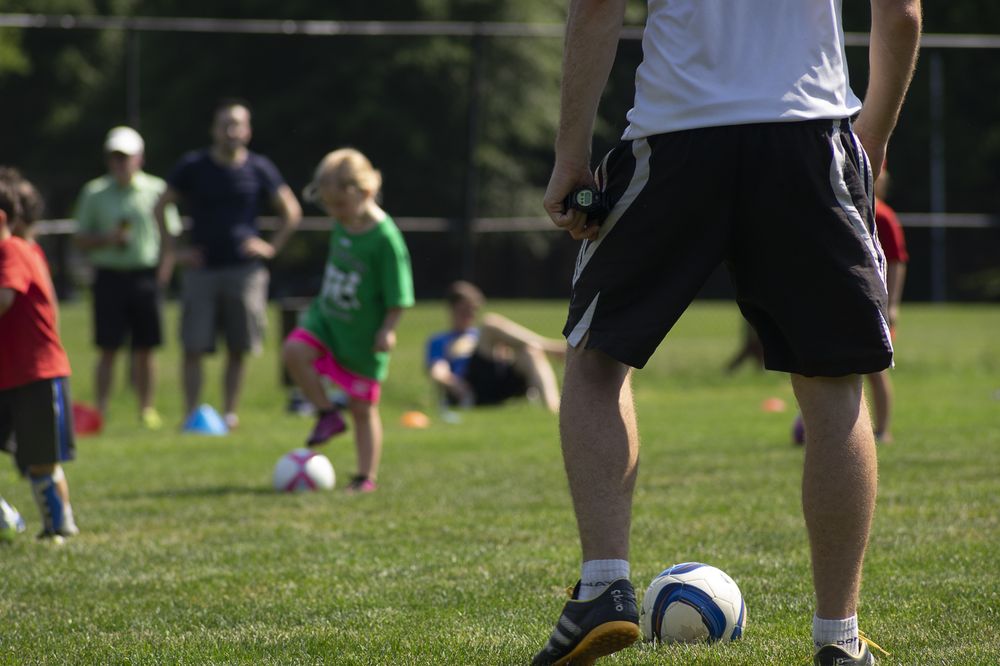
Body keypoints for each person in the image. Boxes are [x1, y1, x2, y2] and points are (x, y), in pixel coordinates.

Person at [535, 1, 921, 665]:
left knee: (596, 361)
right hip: (807, 133)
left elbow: (597, 5)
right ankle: (838, 639)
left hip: (675, 134)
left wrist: (571, 152)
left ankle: (603, 585)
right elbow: (901, 12)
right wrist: (874, 133)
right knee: (832, 389)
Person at [155, 99, 302, 430]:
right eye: (225, 124)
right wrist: (174, 251)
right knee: (193, 345)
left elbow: (291, 211)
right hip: (201, 270)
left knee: (238, 347)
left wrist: (270, 247)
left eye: (238, 124)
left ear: (247, 131)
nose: (231, 131)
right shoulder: (193, 166)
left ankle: (230, 414)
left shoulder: (260, 168)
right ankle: (191, 415)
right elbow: (160, 205)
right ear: (214, 129)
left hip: (244, 271)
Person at [281, 148, 414, 494]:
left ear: (365, 193)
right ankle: (326, 412)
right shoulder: (343, 223)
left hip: (363, 337)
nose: (333, 213)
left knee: (362, 408)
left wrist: (387, 329)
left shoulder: (385, 239)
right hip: (327, 322)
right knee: (294, 351)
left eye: (339, 204)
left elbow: (399, 295)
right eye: (328, 205)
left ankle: (364, 477)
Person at [74, 126, 182, 429]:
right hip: (109, 277)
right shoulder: (94, 192)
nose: (120, 163)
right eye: (115, 157)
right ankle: (102, 410)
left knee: (146, 347)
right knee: (108, 347)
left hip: (145, 277)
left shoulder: (157, 190)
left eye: (126, 157)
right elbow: (80, 238)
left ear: (140, 158)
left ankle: (146, 408)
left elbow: (170, 235)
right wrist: (106, 239)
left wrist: (165, 272)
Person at [0, 170, 80, 542]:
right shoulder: (25, 249)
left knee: (41, 460)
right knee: (34, 459)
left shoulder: (13, 250)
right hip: (11, 373)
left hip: (35, 373)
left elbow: (5, 299)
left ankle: (58, 527)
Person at [426, 280, 564, 413]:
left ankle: (553, 407)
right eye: (465, 310)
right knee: (489, 322)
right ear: (452, 309)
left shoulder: (478, 335)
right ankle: (552, 348)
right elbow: (438, 371)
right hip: (470, 387)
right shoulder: (440, 340)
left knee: (531, 352)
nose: (470, 315)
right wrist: (454, 384)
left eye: (473, 310)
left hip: (496, 383)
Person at [868, 168, 908, 442]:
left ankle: (883, 430)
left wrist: (892, 304)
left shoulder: (883, 216)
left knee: (875, 370)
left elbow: (896, 262)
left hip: (875, 304)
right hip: (848, 302)